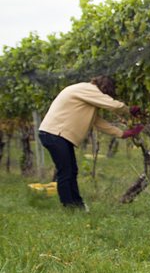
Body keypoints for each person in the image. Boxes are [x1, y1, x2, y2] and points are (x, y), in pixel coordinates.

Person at [38, 75, 143, 210]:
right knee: (65, 172)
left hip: (58, 135)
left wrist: (124, 134)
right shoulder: (87, 89)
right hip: (55, 134)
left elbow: (99, 123)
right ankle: (68, 206)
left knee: (72, 171)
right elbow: (110, 104)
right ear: (105, 87)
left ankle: (77, 204)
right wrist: (128, 110)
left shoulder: (88, 100)